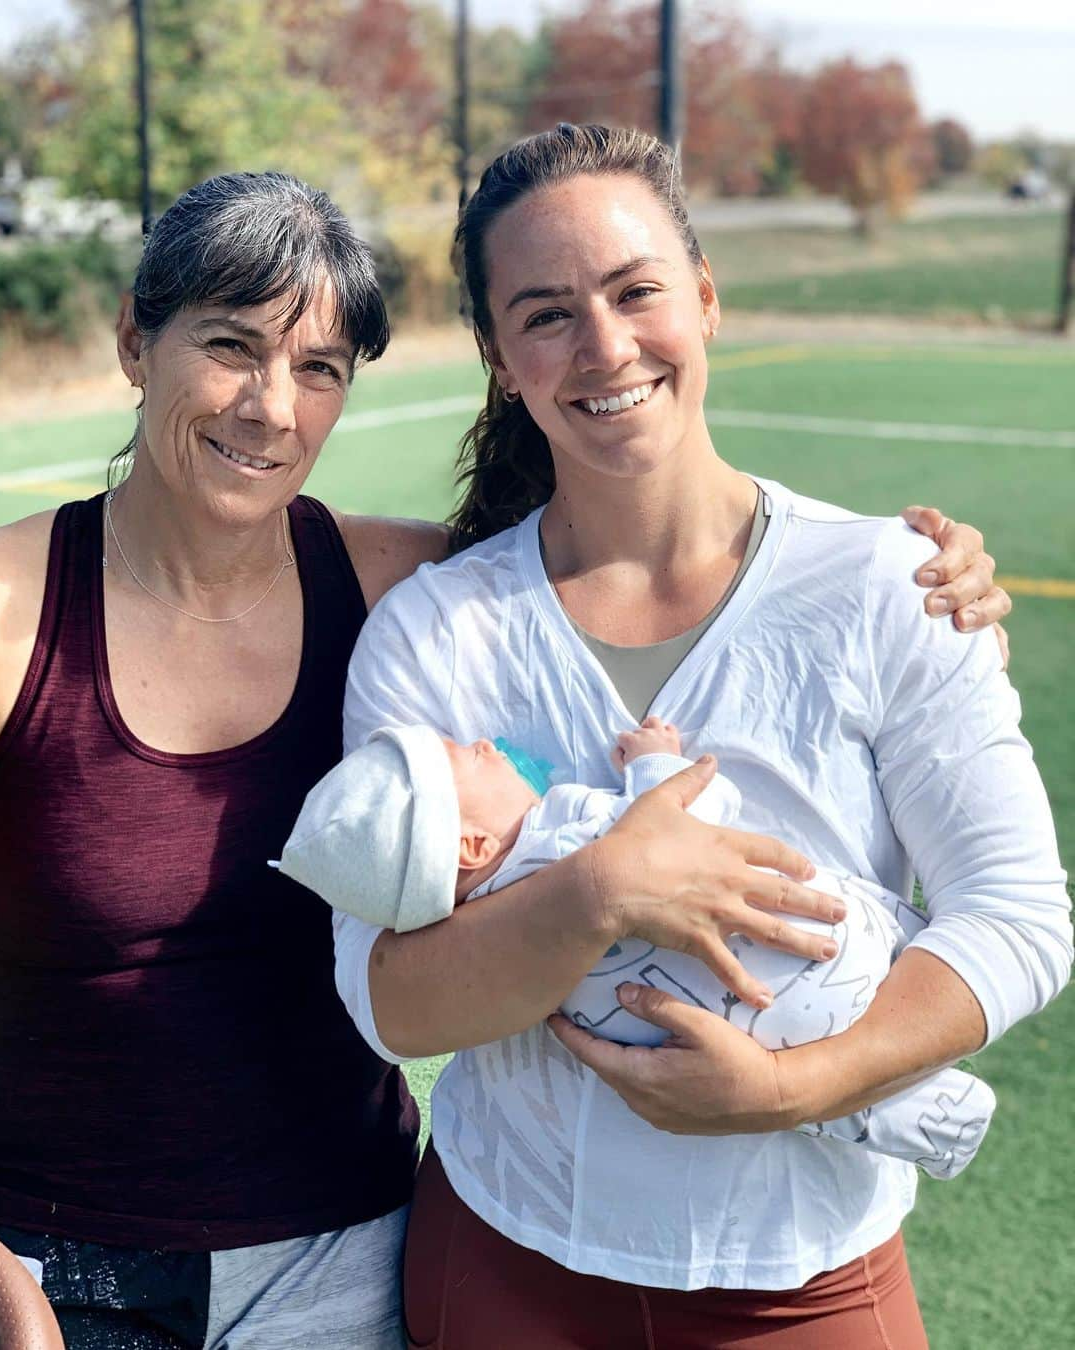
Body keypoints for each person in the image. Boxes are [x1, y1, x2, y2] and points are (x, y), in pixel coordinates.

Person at [0, 165, 1008, 1349]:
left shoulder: (402, 589)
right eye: (230, 346)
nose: (270, 406)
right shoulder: (14, 612)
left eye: (318, 368)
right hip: (61, 1273)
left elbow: (619, 546)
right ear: (135, 340)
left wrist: (926, 574)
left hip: (347, 1256)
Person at [331, 125, 1072, 1349]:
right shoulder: (438, 632)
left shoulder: (893, 586)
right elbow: (389, 1000)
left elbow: (1019, 914)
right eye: (546, 314)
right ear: (499, 359)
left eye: (636, 292)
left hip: (804, 1278)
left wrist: (794, 1088)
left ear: (707, 299)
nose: (606, 346)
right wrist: (602, 891)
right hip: (506, 1259)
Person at [279, 717, 996, 1181]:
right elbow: (688, 824)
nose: (492, 746)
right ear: (470, 844)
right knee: (850, 937)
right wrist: (657, 765)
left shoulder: (499, 940)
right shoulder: (566, 839)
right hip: (807, 954)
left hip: (704, 1028)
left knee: (794, 1070)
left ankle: (918, 1115)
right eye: (472, 756)